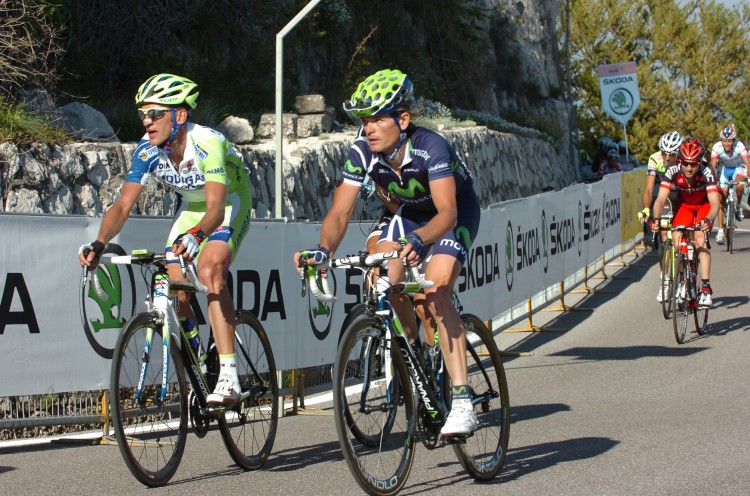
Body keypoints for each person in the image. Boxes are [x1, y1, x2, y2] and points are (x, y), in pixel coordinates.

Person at [293, 68, 481, 437]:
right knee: (381, 278)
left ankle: (462, 400)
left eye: (378, 119)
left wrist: (419, 240)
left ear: (403, 119)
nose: (369, 128)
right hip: (409, 214)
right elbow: (340, 212)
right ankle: (412, 354)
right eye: (365, 121)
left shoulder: (430, 146)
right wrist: (323, 249)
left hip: (451, 214)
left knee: (435, 292)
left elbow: (446, 213)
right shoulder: (362, 151)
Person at [79, 73, 253, 405]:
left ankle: (229, 375)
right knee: (176, 286)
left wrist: (197, 236)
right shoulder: (147, 150)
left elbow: (216, 209)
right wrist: (99, 243)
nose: (147, 121)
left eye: (155, 113)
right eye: (143, 114)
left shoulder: (207, 142)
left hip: (229, 203)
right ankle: (200, 363)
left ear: (180, 115)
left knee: (209, 269)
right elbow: (123, 205)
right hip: (192, 207)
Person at [652, 137, 720, 307]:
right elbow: (660, 199)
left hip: (704, 205)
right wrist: (656, 218)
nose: (689, 168)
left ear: (700, 162)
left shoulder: (707, 171)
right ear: (680, 161)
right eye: (685, 163)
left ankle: (705, 288)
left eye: (693, 164)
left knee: (699, 239)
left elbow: (715, 203)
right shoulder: (672, 169)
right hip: (685, 206)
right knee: (677, 242)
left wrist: (709, 219)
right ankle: (683, 279)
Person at [639, 131, 683, 301]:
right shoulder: (654, 159)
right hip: (665, 197)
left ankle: (684, 277)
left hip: (681, 196)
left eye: (671, 154)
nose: (667, 157)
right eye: (664, 153)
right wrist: (646, 209)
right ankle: (665, 280)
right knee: (664, 238)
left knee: (684, 238)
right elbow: (649, 189)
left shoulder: (684, 161)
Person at [710, 126, 750, 244]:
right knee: (721, 199)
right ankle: (720, 231)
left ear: (734, 140)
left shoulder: (740, 146)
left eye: (729, 141)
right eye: (724, 141)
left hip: (737, 169)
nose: (727, 144)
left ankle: (738, 206)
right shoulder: (716, 147)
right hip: (724, 170)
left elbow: (747, 163)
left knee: (739, 186)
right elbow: (713, 166)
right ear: (721, 140)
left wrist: (748, 177)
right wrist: (714, 180)